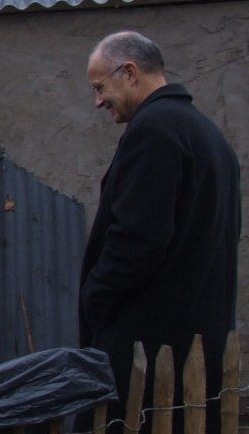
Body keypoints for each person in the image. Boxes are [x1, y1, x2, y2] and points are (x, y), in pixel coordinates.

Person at [79, 31, 240, 433]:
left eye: (100, 87)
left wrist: (95, 301)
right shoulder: (209, 135)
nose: (98, 101)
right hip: (196, 347)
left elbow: (137, 241)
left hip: (149, 352)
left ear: (129, 72)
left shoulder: (153, 131)